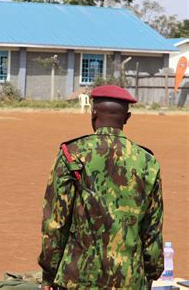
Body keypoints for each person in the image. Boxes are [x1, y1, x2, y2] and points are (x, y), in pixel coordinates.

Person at [38, 85, 163, 289]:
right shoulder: (147, 162)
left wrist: (49, 273)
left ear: (93, 111)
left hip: (77, 277)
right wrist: (150, 273)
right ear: (127, 118)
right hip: (130, 279)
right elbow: (153, 228)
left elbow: (55, 223)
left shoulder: (72, 154)